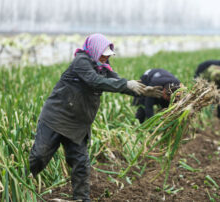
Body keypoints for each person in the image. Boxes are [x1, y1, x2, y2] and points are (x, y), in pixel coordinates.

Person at [28, 34, 161, 201]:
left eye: (107, 55)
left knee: (81, 165)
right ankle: (19, 186)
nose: (105, 57)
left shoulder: (103, 67)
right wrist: (126, 84)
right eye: (103, 54)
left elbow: (117, 81)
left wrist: (139, 89)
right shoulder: (81, 61)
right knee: (39, 157)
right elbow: (94, 81)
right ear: (95, 50)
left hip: (78, 125)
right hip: (56, 118)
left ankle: (82, 199)